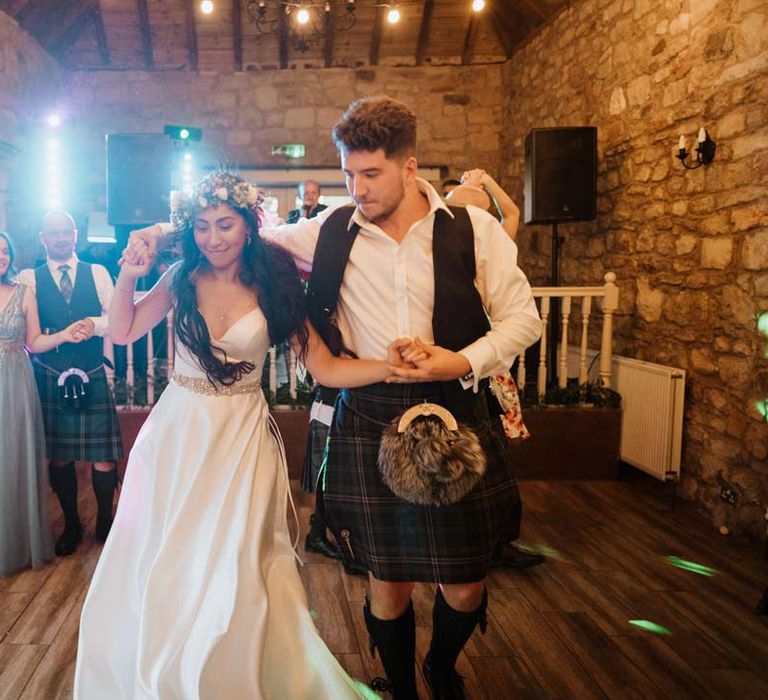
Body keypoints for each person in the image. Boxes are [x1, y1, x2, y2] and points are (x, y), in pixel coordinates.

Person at [127, 97, 542, 699]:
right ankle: (399, 684)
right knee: (386, 576)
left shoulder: (472, 230)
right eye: (349, 174)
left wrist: (462, 359)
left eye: (370, 174)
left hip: (458, 412)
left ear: (409, 165)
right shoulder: (328, 230)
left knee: (466, 579)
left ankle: (441, 669)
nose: (358, 188)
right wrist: (160, 231)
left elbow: (521, 320)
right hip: (370, 414)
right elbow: (242, 232)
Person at [74, 171, 408, 699]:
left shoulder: (275, 287)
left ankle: (233, 671)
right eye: (203, 226)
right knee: (167, 553)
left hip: (242, 440)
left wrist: (385, 368)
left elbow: (324, 366)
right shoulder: (181, 277)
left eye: (225, 224)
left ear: (249, 225)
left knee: (236, 559)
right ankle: (167, 669)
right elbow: (121, 331)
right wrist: (128, 277)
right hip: (178, 434)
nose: (214, 238)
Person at [445, 172, 545, 572]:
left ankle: (500, 539)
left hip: (492, 364)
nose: (475, 215)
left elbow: (513, 211)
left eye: (480, 208)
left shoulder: (496, 241)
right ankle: (469, 541)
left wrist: (486, 180)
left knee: (496, 457)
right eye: (467, 207)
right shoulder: (440, 249)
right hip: (459, 364)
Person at [17, 211, 122, 556]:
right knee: (59, 458)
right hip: (48, 374)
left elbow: (117, 317)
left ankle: (105, 519)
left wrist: (93, 323)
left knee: (104, 457)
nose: (61, 238)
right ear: (42, 237)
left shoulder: (98, 272)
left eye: (67, 232)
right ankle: (72, 525)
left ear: (76, 234)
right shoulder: (28, 278)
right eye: (53, 233)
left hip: (91, 371)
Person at [0, 231, 86, 577]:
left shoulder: (23, 293)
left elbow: (33, 342)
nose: (1, 257)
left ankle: (15, 541)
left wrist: (64, 335)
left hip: (15, 381)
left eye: (5, 251)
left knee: (14, 457)